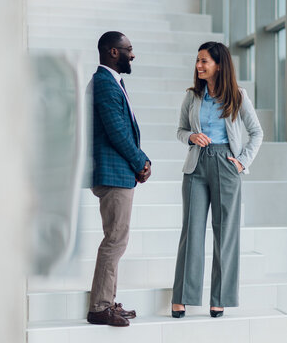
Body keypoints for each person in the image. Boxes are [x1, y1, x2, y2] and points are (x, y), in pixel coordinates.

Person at [171, 41, 263, 319]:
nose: (198, 66)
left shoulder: (237, 95)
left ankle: (220, 298)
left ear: (218, 65)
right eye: (197, 61)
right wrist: (190, 136)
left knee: (225, 233)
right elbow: (180, 130)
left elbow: (256, 132)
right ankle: (182, 297)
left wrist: (242, 161)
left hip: (226, 165)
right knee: (192, 231)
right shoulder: (192, 96)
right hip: (196, 165)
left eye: (204, 61)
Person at [85, 31, 152, 327]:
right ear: (113, 52)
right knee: (115, 240)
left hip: (117, 171)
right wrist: (141, 161)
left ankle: (108, 301)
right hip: (113, 172)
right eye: (128, 49)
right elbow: (116, 131)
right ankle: (99, 307)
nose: (132, 54)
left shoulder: (111, 82)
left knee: (117, 238)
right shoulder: (103, 82)